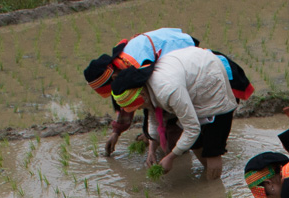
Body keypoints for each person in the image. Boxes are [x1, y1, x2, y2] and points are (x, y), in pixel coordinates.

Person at [82, 32, 251, 157]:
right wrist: (117, 132)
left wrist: (167, 152)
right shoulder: (122, 70)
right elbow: (136, 103)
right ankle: (176, 143)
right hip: (175, 73)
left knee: (179, 120)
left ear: (113, 77)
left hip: (195, 65)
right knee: (164, 113)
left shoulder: (142, 70)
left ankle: (187, 147)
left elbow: (152, 104)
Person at [97, 48, 237, 180]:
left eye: (137, 106)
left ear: (143, 95)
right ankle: (208, 177)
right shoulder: (147, 86)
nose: (139, 109)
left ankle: (214, 190)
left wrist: (171, 157)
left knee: (212, 148)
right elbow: (153, 117)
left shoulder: (167, 90)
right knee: (196, 143)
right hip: (193, 80)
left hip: (212, 78)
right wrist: (152, 150)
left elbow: (192, 128)